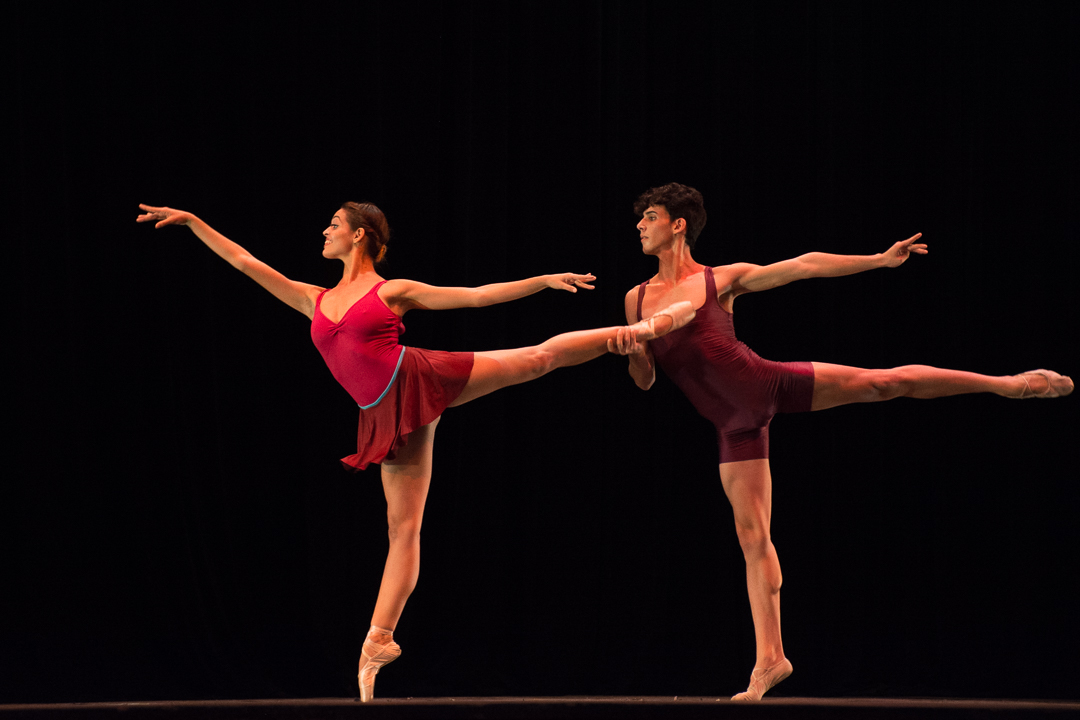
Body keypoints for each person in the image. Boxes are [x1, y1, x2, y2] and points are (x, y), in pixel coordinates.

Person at [136, 201, 694, 701]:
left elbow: (474, 297)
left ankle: (638, 332)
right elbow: (244, 263)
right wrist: (193, 222)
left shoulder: (390, 291)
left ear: (359, 236)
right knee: (402, 530)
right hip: (382, 411)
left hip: (418, 375)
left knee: (536, 358)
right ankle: (379, 640)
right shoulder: (316, 298)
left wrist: (542, 281)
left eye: (333, 224)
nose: (324, 231)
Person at [607, 183, 1072, 702]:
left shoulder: (721, 280)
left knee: (885, 382)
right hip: (732, 425)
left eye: (649, 216)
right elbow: (646, 381)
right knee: (753, 538)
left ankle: (1010, 384)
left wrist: (878, 260)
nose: (639, 226)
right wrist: (632, 351)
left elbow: (803, 265)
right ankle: (770, 660)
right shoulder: (637, 298)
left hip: (767, 382)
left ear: (678, 224)